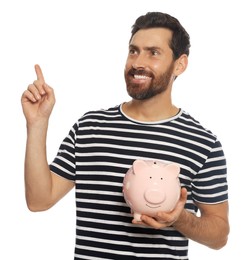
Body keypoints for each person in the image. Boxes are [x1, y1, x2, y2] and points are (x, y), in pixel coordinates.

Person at [21, 11, 229, 260]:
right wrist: (37, 124)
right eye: (133, 51)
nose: (137, 62)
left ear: (179, 64)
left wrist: (180, 218)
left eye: (153, 52)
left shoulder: (203, 143)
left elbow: (219, 236)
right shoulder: (89, 128)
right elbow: (39, 200)